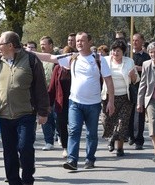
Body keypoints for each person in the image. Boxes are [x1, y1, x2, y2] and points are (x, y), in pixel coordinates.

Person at [34, 32, 115, 170]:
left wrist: (111, 101)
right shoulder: (71, 58)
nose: (79, 43)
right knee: (73, 131)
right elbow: (50, 57)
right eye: (77, 41)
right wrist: (29, 52)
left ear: (90, 42)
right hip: (75, 103)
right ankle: (72, 160)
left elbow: (108, 81)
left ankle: (90, 159)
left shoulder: (99, 59)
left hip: (93, 104)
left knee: (91, 133)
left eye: (82, 40)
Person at [0, 31, 48, 185]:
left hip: (26, 114)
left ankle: (27, 181)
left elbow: (41, 87)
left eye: (1, 44)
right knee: (9, 151)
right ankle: (14, 184)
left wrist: (43, 111)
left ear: (11, 45)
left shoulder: (31, 60)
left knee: (25, 147)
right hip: (4, 115)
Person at [100, 39, 138, 157]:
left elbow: (136, 80)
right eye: (113, 51)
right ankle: (112, 137)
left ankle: (119, 147)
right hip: (108, 96)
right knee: (107, 121)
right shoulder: (105, 61)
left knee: (122, 123)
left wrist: (133, 76)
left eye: (118, 51)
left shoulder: (129, 62)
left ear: (123, 52)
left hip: (125, 97)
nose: (115, 53)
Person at [48, 46, 72, 158]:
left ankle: (72, 148)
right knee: (62, 125)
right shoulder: (58, 68)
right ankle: (65, 148)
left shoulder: (77, 67)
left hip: (74, 101)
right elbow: (52, 86)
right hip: (61, 102)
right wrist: (48, 103)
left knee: (74, 127)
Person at [128, 33, 149, 150]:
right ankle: (130, 135)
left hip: (141, 88)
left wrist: (139, 68)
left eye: (137, 40)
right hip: (129, 88)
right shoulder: (127, 56)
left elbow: (150, 69)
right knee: (129, 115)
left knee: (139, 115)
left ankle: (139, 139)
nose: (135, 42)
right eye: (133, 40)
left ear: (142, 42)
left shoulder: (146, 57)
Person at [39, 36, 57, 150]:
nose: (42, 46)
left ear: (51, 45)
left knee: (56, 116)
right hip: (43, 92)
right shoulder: (38, 59)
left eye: (44, 44)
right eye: (41, 44)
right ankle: (48, 141)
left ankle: (59, 134)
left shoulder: (56, 59)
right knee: (44, 115)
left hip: (55, 92)